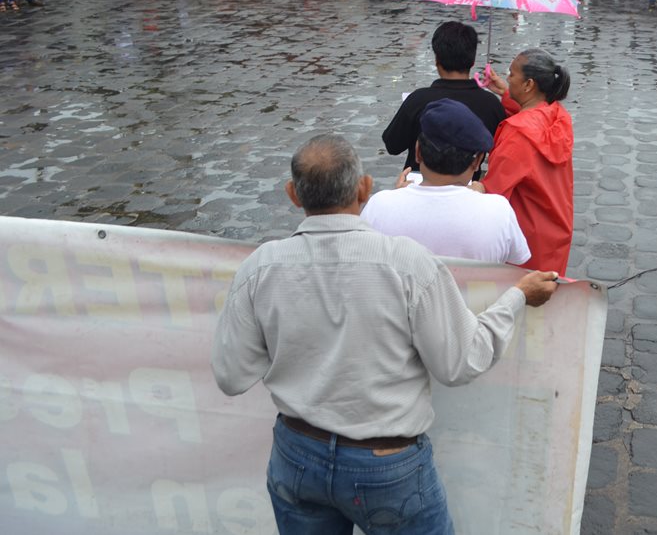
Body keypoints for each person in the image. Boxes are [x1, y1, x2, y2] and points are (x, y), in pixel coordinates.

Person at [211, 134, 558, 535]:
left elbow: (231, 376)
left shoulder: (260, 268)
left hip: (296, 454)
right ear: (364, 187)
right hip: (386, 465)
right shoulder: (408, 263)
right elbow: (461, 362)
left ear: (293, 194)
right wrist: (517, 298)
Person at [364, 100, 530, 265]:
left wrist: (397, 197)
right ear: (477, 161)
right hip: (471, 291)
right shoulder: (498, 211)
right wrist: (482, 200)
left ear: (418, 152)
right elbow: (518, 260)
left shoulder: (379, 206)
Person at [476, 49, 574, 276]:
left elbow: (493, 192)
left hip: (525, 235)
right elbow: (533, 114)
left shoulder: (518, 133)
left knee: (518, 300)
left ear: (529, 84)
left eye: (511, 75)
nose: (508, 78)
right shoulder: (558, 115)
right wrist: (505, 92)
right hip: (554, 229)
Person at [382, 20, 507, 171]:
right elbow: (503, 151)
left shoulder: (417, 100)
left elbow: (393, 146)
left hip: (418, 183)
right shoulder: (491, 104)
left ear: (437, 60)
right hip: (468, 187)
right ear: (473, 61)